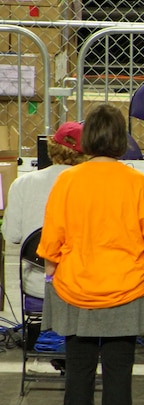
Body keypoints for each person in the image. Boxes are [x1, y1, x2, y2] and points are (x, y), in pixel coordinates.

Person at [37, 104, 144, 405]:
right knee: (119, 374)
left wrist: (55, 285)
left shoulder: (66, 181)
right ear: (120, 140)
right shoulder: (138, 183)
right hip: (126, 288)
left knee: (78, 373)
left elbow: (50, 245)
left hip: (75, 288)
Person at [2, 122, 87, 299]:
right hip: (84, 283)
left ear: (51, 147)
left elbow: (12, 235)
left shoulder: (22, 184)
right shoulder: (94, 186)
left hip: (38, 284)